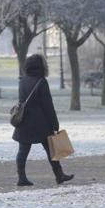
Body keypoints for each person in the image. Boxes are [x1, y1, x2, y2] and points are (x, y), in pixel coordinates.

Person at [12, 54, 74, 186]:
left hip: (24, 122)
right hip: (41, 123)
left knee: (23, 151)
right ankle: (59, 175)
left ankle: (21, 178)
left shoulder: (22, 80)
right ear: (41, 66)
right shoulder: (41, 81)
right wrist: (55, 124)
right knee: (52, 150)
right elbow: (48, 106)